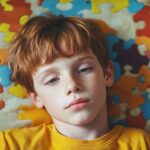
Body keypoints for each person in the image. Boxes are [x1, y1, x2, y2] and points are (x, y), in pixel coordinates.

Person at [0, 14, 150, 150]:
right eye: (52, 80)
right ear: (35, 97)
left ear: (107, 74)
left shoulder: (140, 143)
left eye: (84, 69)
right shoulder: (10, 144)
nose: (72, 85)